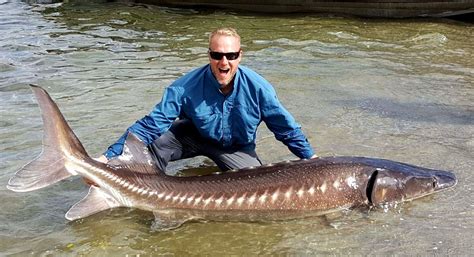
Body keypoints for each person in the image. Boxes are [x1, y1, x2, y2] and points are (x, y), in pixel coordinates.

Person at [97, 27, 316, 172]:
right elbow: (151, 124)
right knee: (152, 143)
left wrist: (312, 160)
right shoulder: (185, 86)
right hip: (193, 136)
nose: (224, 62)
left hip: (235, 148)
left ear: (240, 55)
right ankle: (146, 193)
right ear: (209, 55)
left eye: (230, 56)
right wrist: (107, 158)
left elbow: (286, 130)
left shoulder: (259, 88)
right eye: (217, 55)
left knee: (254, 188)